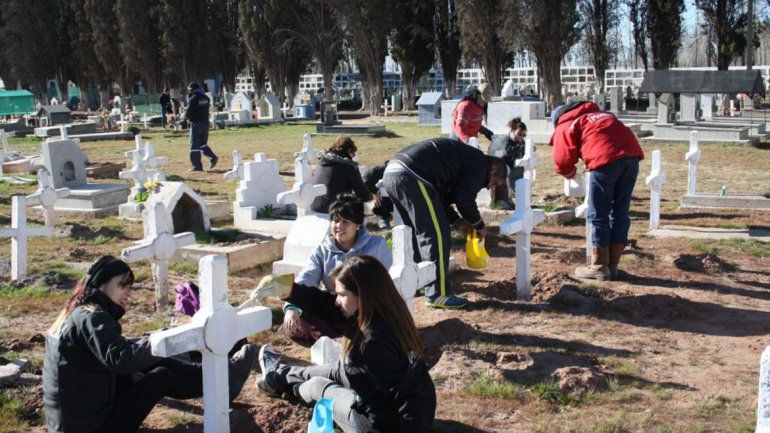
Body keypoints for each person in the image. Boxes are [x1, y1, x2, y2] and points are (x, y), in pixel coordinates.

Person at [43, 256, 255, 433]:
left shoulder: (78, 312)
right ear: (100, 284)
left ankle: (217, 376)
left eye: (130, 287)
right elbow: (122, 360)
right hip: (90, 427)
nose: (128, 293)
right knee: (158, 376)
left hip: (73, 420)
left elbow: (109, 359)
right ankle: (219, 382)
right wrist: (161, 340)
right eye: (121, 285)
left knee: (146, 360)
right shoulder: (92, 317)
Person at [254, 255, 436, 433]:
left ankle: (284, 385)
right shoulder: (385, 312)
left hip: (378, 424)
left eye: (341, 294)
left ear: (362, 296)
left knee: (316, 385)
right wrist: (290, 290)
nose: (336, 300)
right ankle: (276, 376)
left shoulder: (371, 343)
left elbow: (408, 395)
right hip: (375, 383)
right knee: (322, 371)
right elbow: (325, 305)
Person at [381, 138, 508, 309]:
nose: (490, 187)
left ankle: (416, 282)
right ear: (493, 168)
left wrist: (458, 222)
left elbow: (440, 201)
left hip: (393, 174)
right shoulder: (480, 165)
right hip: (413, 175)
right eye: (495, 181)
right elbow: (464, 200)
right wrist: (478, 225)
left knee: (412, 232)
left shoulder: (463, 162)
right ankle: (438, 294)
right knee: (436, 234)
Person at [550, 101, 644, 281]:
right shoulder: (602, 115)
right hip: (631, 158)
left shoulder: (565, 123)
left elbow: (561, 161)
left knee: (598, 213)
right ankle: (613, 266)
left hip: (604, 162)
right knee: (620, 212)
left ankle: (600, 266)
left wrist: (572, 174)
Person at [283, 194, 392, 340]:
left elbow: (385, 285)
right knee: (292, 324)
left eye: (346, 222)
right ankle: (328, 335)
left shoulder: (376, 246)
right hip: (334, 307)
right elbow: (307, 278)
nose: (339, 226)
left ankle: (333, 336)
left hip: (367, 308)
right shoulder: (322, 251)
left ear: (358, 224)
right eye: (335, 221)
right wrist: (292, 308)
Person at [309, 136, 375, 214]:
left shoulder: (322, 162)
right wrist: (372, 196)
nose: (353, 157)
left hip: (313, 207)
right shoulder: (349, 166)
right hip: (333, 211)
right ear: (349, 150)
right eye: (353, 154)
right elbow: (363, 195)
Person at [185, 82, 218, 171]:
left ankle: (197, 166)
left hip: (196, 123)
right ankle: (213, 158)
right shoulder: (206, 98)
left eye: (189, 90)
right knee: (202, 143)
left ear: (192, 90)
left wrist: (186, 119)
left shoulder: (193, 98)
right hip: (205, 123)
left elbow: (188, 112)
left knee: (194, 145)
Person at [496, 117, 528, 208]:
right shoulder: (506, 141)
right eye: (519, 133)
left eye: (524, 134)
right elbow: (508, 151)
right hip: (507, 171)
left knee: (521, 189)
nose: (521, 136)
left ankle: (522, 204)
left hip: (518, 169)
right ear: (513, 130)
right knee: (511, 189)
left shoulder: (521, 141)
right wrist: (522, 148)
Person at [361, 162, 393, 229]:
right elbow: (368, 179)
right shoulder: (386, 169)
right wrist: (376, 193)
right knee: (378, 201)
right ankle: (385, 217)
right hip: (388, 198)